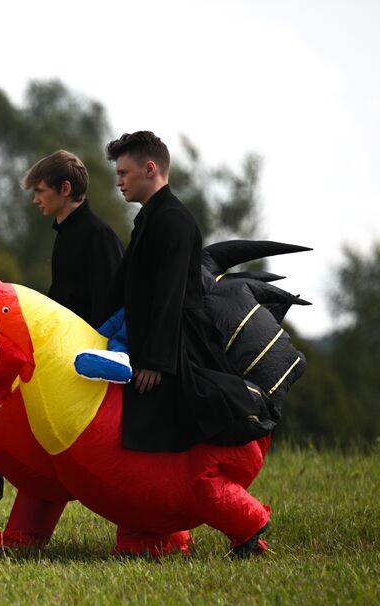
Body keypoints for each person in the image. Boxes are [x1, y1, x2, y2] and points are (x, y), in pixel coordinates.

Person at [104, 130, 274, 454]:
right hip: (150, 341)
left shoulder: (173, 220)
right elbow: (125, 287)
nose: (118, 182)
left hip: (179, 346)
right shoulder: (149, 219)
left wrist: (156, 362)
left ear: (150, 169)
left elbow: (171, 293)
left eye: (124, 173)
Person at [22, 149, 122, 327]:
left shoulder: (99, 236)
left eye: (40, 191)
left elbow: (110, 309)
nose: (35, 200)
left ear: (65, 188)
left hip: (89, 351)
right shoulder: (65, 233)